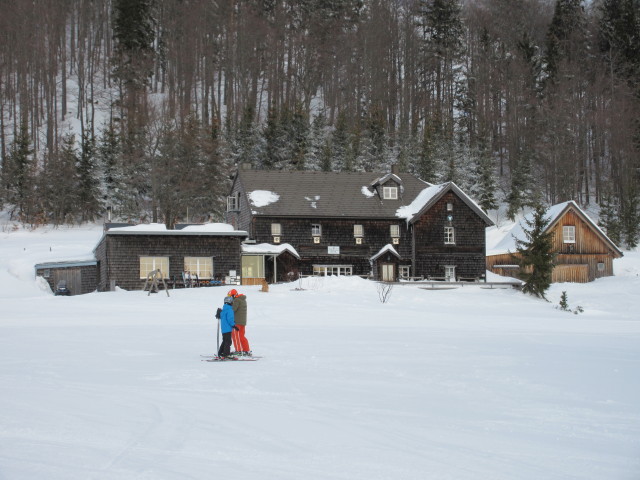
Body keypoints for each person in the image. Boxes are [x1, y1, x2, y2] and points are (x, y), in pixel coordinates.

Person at [228, 288, 251, 356]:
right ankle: (246, 350)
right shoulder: (242, 300)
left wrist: (228, 306)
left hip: (237, 322)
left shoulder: (237, 300)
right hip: (242, 322)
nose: (230, 298)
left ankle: (238, 350)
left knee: (235, 336)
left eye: (230, 296)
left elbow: (233, 310)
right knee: (241, 336)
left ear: (233, 296)